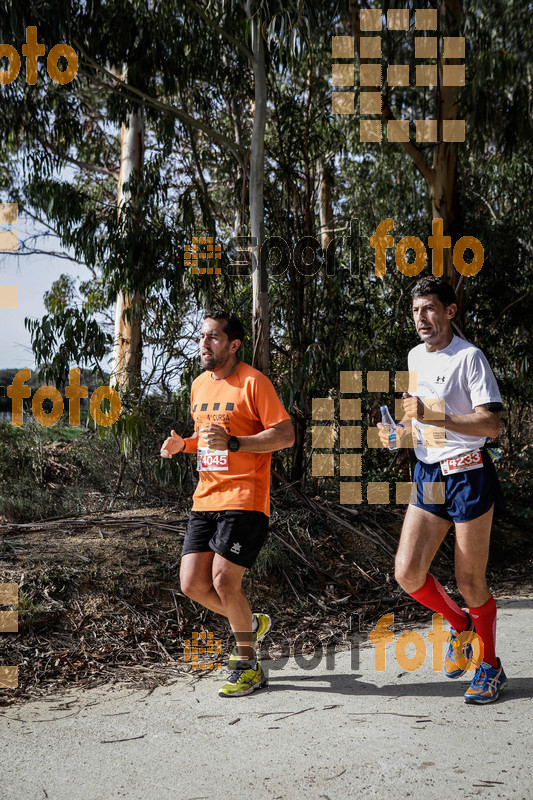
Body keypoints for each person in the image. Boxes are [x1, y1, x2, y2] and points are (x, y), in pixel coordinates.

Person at [378, 276, 507, 704]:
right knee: (407, 572)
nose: (421, 318)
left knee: (469, 578)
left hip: (469, 473)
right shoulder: (415, 355)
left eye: (430, 308)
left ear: (449, 311)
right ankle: (459, 624)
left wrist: (436, 419)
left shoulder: (470, 358)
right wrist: (398, 433)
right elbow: (417, 421)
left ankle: (490, 667)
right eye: (416, 311)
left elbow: (491, 425)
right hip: (430, 475)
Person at [160, 310, 294, 697]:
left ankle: (248, 665)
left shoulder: (254, 383)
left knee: (223, 579)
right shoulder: (199, 385)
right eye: (202, 337)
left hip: (245, 497)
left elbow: (285, 435)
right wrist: (182, 444)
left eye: (214, 337)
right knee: (192, 584)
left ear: (233, 345)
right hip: (206, 499)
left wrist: (238, 443)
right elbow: (208, 440)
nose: (204, 344)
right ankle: (249, 623)